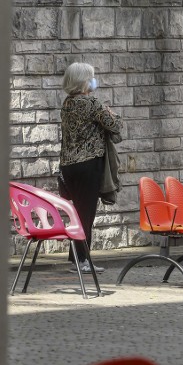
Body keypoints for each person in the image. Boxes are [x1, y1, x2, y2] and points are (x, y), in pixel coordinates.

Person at [59, 62, 123, 273]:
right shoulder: (92, 103)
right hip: (88, 165)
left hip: (69, 166)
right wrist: (111, 112)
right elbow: (115, 125)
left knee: (78, 213)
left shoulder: (67, 104)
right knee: (86, 214)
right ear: (84, 80)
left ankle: (76, 259)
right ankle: (82, 261)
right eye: (91, 77)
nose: (93, 80)